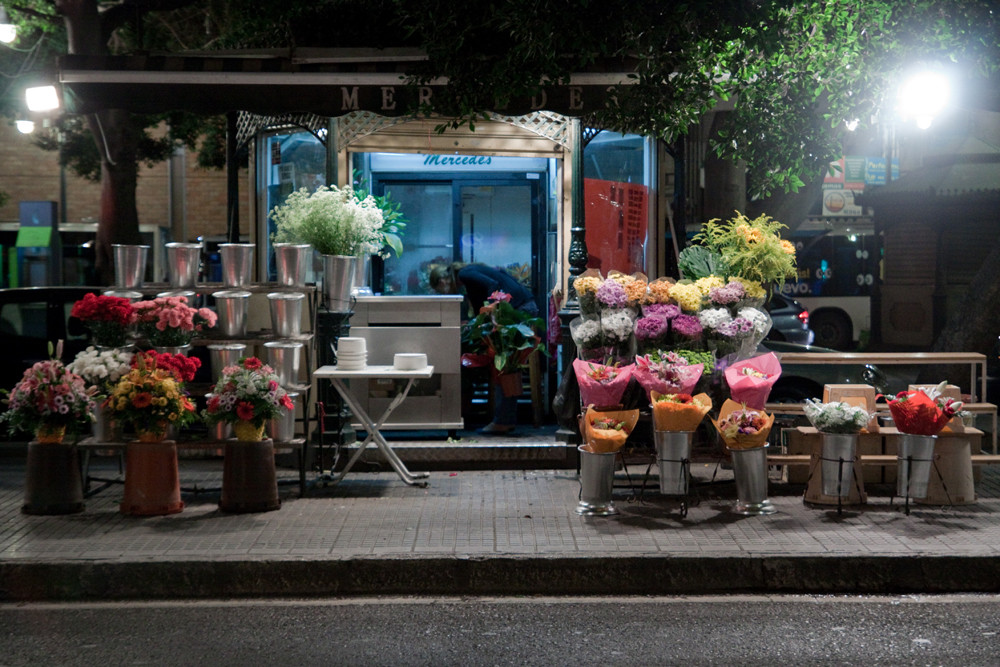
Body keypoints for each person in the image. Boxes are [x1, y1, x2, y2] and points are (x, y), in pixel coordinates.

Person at [430, 262, 539, 434]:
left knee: (503, 362)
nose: (442, 292)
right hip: (522, 305)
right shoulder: (470, 277)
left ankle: (503, 420)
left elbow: (493, 286)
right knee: (505, 362)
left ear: (443, 280)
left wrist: (493, 314)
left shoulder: (465, 274)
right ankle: (504, 418)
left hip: (518, 309)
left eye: (438, 288)